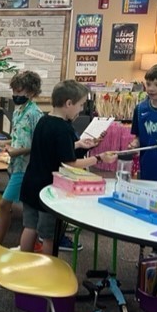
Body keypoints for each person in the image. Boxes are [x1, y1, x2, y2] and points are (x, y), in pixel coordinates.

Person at [19, 80, 118, 255]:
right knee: (48, 237)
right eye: (80, 105)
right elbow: (70, 163)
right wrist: (98, 158)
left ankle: (24, 263)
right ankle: (48, 268)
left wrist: (80, 145)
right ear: (69, 103)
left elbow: (54, 150)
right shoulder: (63, 128)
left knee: (30, 227)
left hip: (31, 183)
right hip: (48, 189)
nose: (81, 109)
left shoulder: (44, 120)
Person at [0, 71, 43, 247]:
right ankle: (29, 241)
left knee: (4, 204)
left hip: (25, 168)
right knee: (23, 205)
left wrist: (17, 151)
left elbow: (38, 145)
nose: (16, 95)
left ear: (31, 92)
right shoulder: (18, 112)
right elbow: (18, 137)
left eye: (20, 91)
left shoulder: (35, 114)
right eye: (14, 91)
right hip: (14, 165)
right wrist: (3, 142)